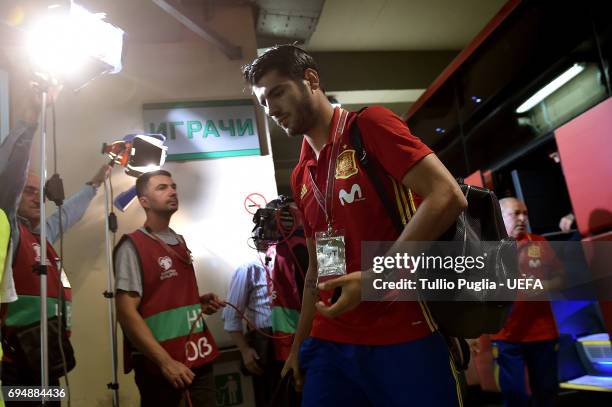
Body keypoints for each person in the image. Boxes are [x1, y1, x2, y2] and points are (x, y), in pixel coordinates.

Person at [242, 45, 467, 406]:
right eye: (264, 103)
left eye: (277, 93)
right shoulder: (301, 174)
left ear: (310, 80)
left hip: (404, 331)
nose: (272, 110)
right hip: (331, 342)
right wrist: (300, 345)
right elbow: (319, 266)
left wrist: (376, 277)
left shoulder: (369, 125)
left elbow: (447, 196)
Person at [115, 170, 223, 407]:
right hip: (164, 369)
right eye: (162, 187)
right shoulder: (133, 246)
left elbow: (165, 299)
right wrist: (165, 362)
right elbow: (125, 312)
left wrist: (197, 302)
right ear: (144, 201)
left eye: (173, 186)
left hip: (198, 358)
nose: (172, 191)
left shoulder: (180, 242)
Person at [491, 197, 563, 407]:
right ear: (501, 215)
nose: (522, 218)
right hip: (507, 336)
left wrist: (543, 286)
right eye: (516, 213)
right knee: (514, 394)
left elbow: (561, 278)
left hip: (543, 334)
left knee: (547, 393)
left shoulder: (539, 242)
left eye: (525, 213)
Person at [223, 260, 278, 407]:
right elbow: (231, 316)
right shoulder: (249, 269)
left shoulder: (293, 260)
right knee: (271, 397)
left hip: (296, 339)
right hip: (265, 342)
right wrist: (245, 350)